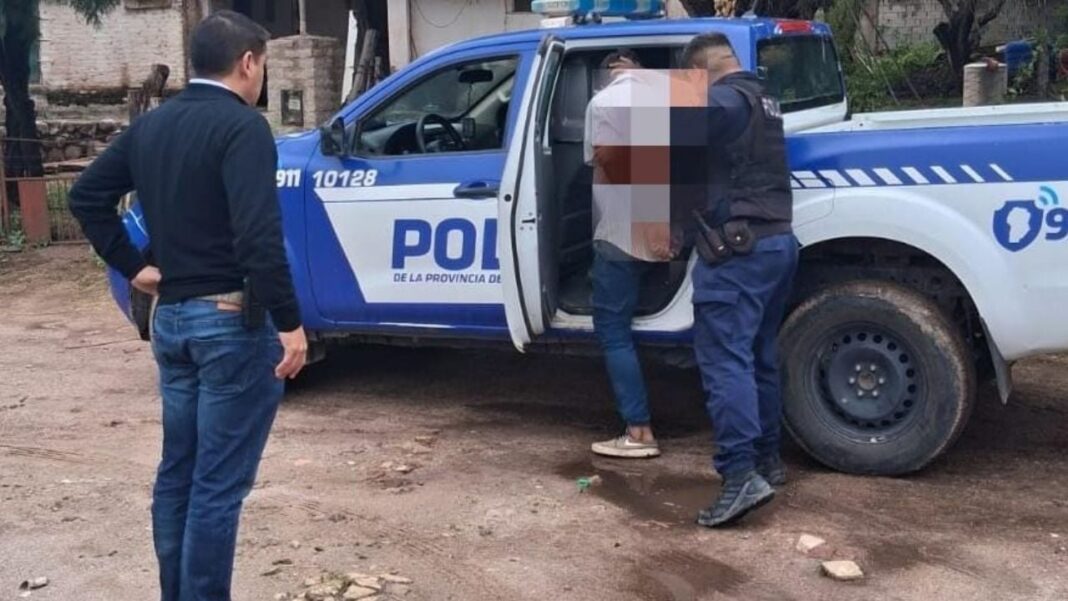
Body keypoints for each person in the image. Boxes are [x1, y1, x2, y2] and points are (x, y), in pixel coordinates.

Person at [68, 11, 308, 599]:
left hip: (172, 322)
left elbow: (85, 195)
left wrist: (133, 267)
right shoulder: (244, 128)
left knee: (179, 473)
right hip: (229, 322)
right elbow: (258, 237)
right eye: (262, 66)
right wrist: (290, 322)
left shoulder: (153, 126)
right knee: (217, 486)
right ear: (247, 63)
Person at [680, 33, 799, 527]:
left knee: (725, 362)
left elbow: (687, 120)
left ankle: (739, 476)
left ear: (702, 73)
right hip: (775, 245)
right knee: (757, 357)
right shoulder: (762, 100)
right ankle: (767, 460)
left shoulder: (726, 100)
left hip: (738, 255)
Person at [584, 50, 675, 458]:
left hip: (621, 233)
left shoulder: (603, 102)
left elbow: (602, 162)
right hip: (665, 233)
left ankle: (639, 431)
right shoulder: (666, 97)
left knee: (612, 329)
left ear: (606, 74)